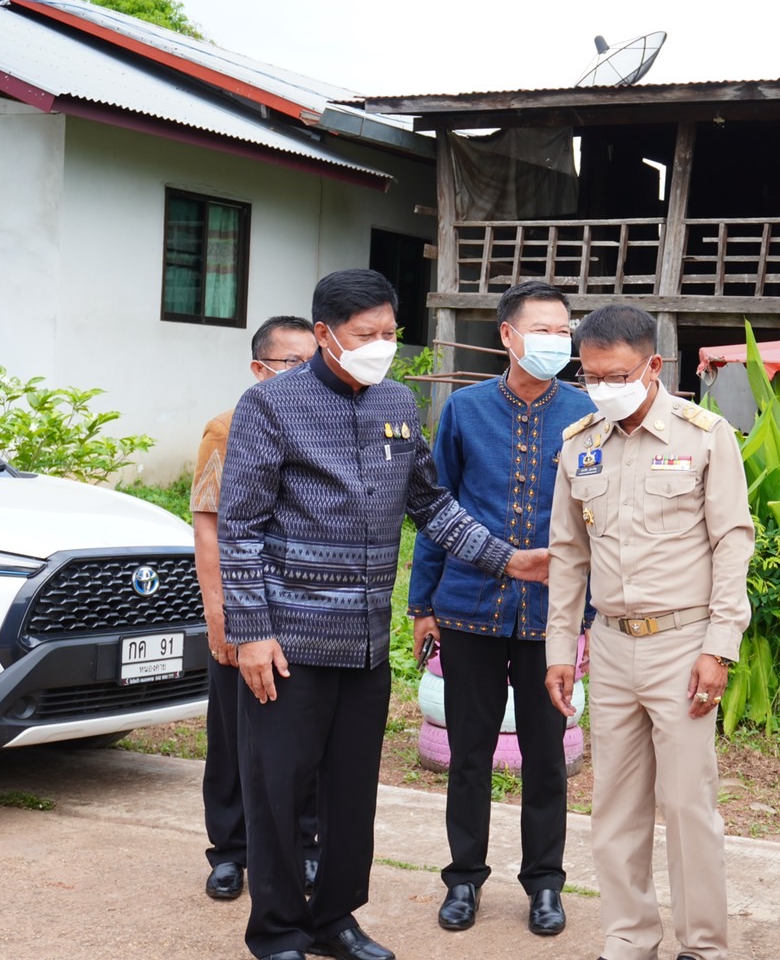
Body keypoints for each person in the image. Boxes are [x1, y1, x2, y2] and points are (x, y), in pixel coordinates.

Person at [220, 269, 549, 960]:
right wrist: (250, 633)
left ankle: (335, 920)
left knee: (351, 795)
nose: (380, 346)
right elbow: (239, 528)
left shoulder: (398, 402)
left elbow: (430, 505)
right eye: (364, 335)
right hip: (289, 643)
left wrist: (507, 559)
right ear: (323, 335)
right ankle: (277, 929)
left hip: (366, 645)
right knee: (279, 793)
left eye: (389, 334)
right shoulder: (271, 406)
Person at [544, 305, 753, 960]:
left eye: (618, 374)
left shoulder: (705, 435)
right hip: (608, 646)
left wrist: (720, 647)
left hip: (682, 646)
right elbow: (567, 552)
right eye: (593, 375)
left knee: (689, 810)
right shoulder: (579, 442)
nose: (604, 386)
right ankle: (629, 939)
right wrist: (559, 649)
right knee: (614, 810)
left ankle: (703, 947)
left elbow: (731, 543)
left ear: (653, 366)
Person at [407, 281, 595, 936]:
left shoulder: (586, 413)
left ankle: (545, 883)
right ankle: (463, 880)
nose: (556, 340)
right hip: (467, 608)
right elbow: (436, 508)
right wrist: (421, 604)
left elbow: (599, 523)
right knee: (469, 753)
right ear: (507, 337)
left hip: (552, 614)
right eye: (542, 328)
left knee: (548, 755)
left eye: (562, 329)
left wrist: (588, 618)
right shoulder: (463, 410)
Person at [194, 315, 321, 903]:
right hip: (244, 609)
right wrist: (221, 618)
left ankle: (304, 845)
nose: (305, 373)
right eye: (291, 362)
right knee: (234, 736)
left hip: (303, 612)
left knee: (302, 741)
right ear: (259, 369)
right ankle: (230, 851)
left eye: (311, 360)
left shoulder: (323, 424)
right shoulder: (226, 428)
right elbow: (210, 527)